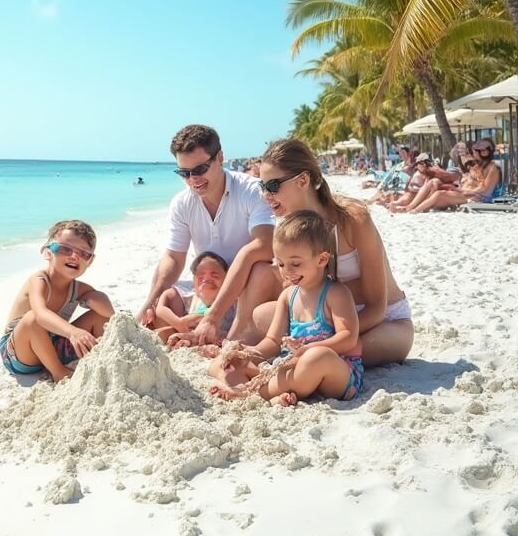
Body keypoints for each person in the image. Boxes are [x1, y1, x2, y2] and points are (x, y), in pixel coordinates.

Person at [255, 139, 413, 368]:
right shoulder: (288, 230)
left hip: (382, 321)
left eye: (272, 187)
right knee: (262, 315)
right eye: (262, 187)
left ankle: (319, 359)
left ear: (303, 180)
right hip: (326, 321)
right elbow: (295, 298)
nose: (265, 195)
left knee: (333, 353)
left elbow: (377, 307)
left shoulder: (352, 219)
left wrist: (324, 340)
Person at [137, 125, 278, 346]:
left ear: (220, 157)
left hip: (250, 286)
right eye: (184, 173)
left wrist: (213, 316)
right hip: (211, 283)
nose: (193, 179)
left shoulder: (251, 190)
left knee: (262, 269)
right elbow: (174, 258)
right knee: (166, 300)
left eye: (199, 169)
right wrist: (150, 301)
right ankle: (200, 332)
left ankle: (233, 336)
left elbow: (265, 245)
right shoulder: (182, 203)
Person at [208, 211, 362, 405]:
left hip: (336, 374)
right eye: (280, 263)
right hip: (292, 367)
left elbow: (348, 338)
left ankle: (250, 393)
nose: (287, 271)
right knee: (224, 362)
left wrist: (307, 348)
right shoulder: (288, 296)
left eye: (295, 264)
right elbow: (272, 341)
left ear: (322, 260)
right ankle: (270, 393)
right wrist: (249, 352)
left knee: (316, 358)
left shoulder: (336, 293)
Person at [0, 219, 114, 382]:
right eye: (65, 249)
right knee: (33, 317)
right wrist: (73, 332)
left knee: (99, 317)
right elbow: (40, 314)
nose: (74, 256)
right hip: (19, 353)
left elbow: (110, 314)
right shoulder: (39, 280)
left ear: (90, 261)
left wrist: (95, 298)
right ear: (47, 252)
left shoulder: (79, 288)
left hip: (51, 346)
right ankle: (59, 372)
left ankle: (100, 357)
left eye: (84, 253)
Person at [147, 251, 227, 344]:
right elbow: (162, 305)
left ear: (227, 280)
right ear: (194, 284)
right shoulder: (192, 297)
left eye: (215, 275)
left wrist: (193, 319)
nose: (207, 278)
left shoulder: (231, 302)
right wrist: (179, 323)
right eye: (201, 277)